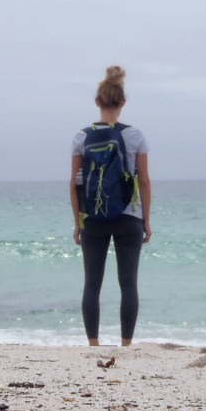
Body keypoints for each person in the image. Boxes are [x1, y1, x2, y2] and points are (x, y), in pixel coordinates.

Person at [70, 66, 152, 346]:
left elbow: (74, 183)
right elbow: (144, 181)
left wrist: (77, 222)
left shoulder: (82, 137)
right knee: (128, 283)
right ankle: (126, 344)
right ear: (122, 103)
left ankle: (93, 344)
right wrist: (146, 221)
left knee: (92, 283)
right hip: (128, 217)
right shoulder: (135, 136)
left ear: (97, 102)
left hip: (92, 217)